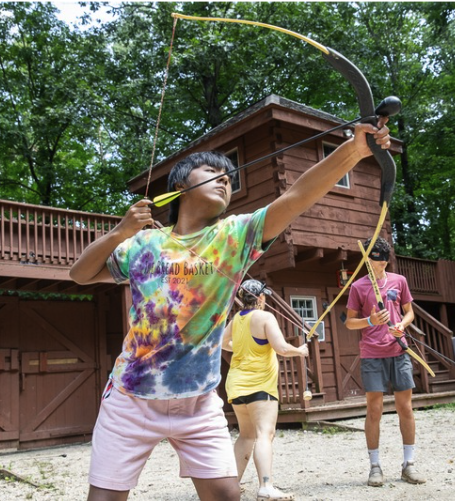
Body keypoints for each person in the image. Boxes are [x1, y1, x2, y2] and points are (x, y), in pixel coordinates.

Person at [69, 117, 392, 501]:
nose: (225, 179)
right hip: (130, 397)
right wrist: (121, 232)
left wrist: (354, 150)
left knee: (226, 494)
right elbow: (80, 274)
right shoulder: (144, 244)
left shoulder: (234, 235)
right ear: (179, 187)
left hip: (199, 402)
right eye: (212, 172)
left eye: (229, 176)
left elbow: (295, 198)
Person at [345, 236, 426, 487]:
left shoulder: (399, 281)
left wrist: (401, 323)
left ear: (386, 260)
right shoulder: (358, 286)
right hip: (372, 353)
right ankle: (375, 467)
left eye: (381, 263)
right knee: (374, 410)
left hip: (399, 350)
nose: (378, 267)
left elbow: (409, 311)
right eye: (373, 262)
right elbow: (349, 322)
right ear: (367, 259)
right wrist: (370, 322)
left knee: (406, 408)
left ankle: (408, 465)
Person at [222, 279, 308, 501]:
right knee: (264, 434)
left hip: (236, 385)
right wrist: (300, 351)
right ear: (260, 297)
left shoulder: (236, 320)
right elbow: (280, 347)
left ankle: (232, 484)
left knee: (246, 435)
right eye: (265, 296)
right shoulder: (265, 317)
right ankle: (266, 485)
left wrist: (238, 347)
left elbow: (222, 343)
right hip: (260, 385)